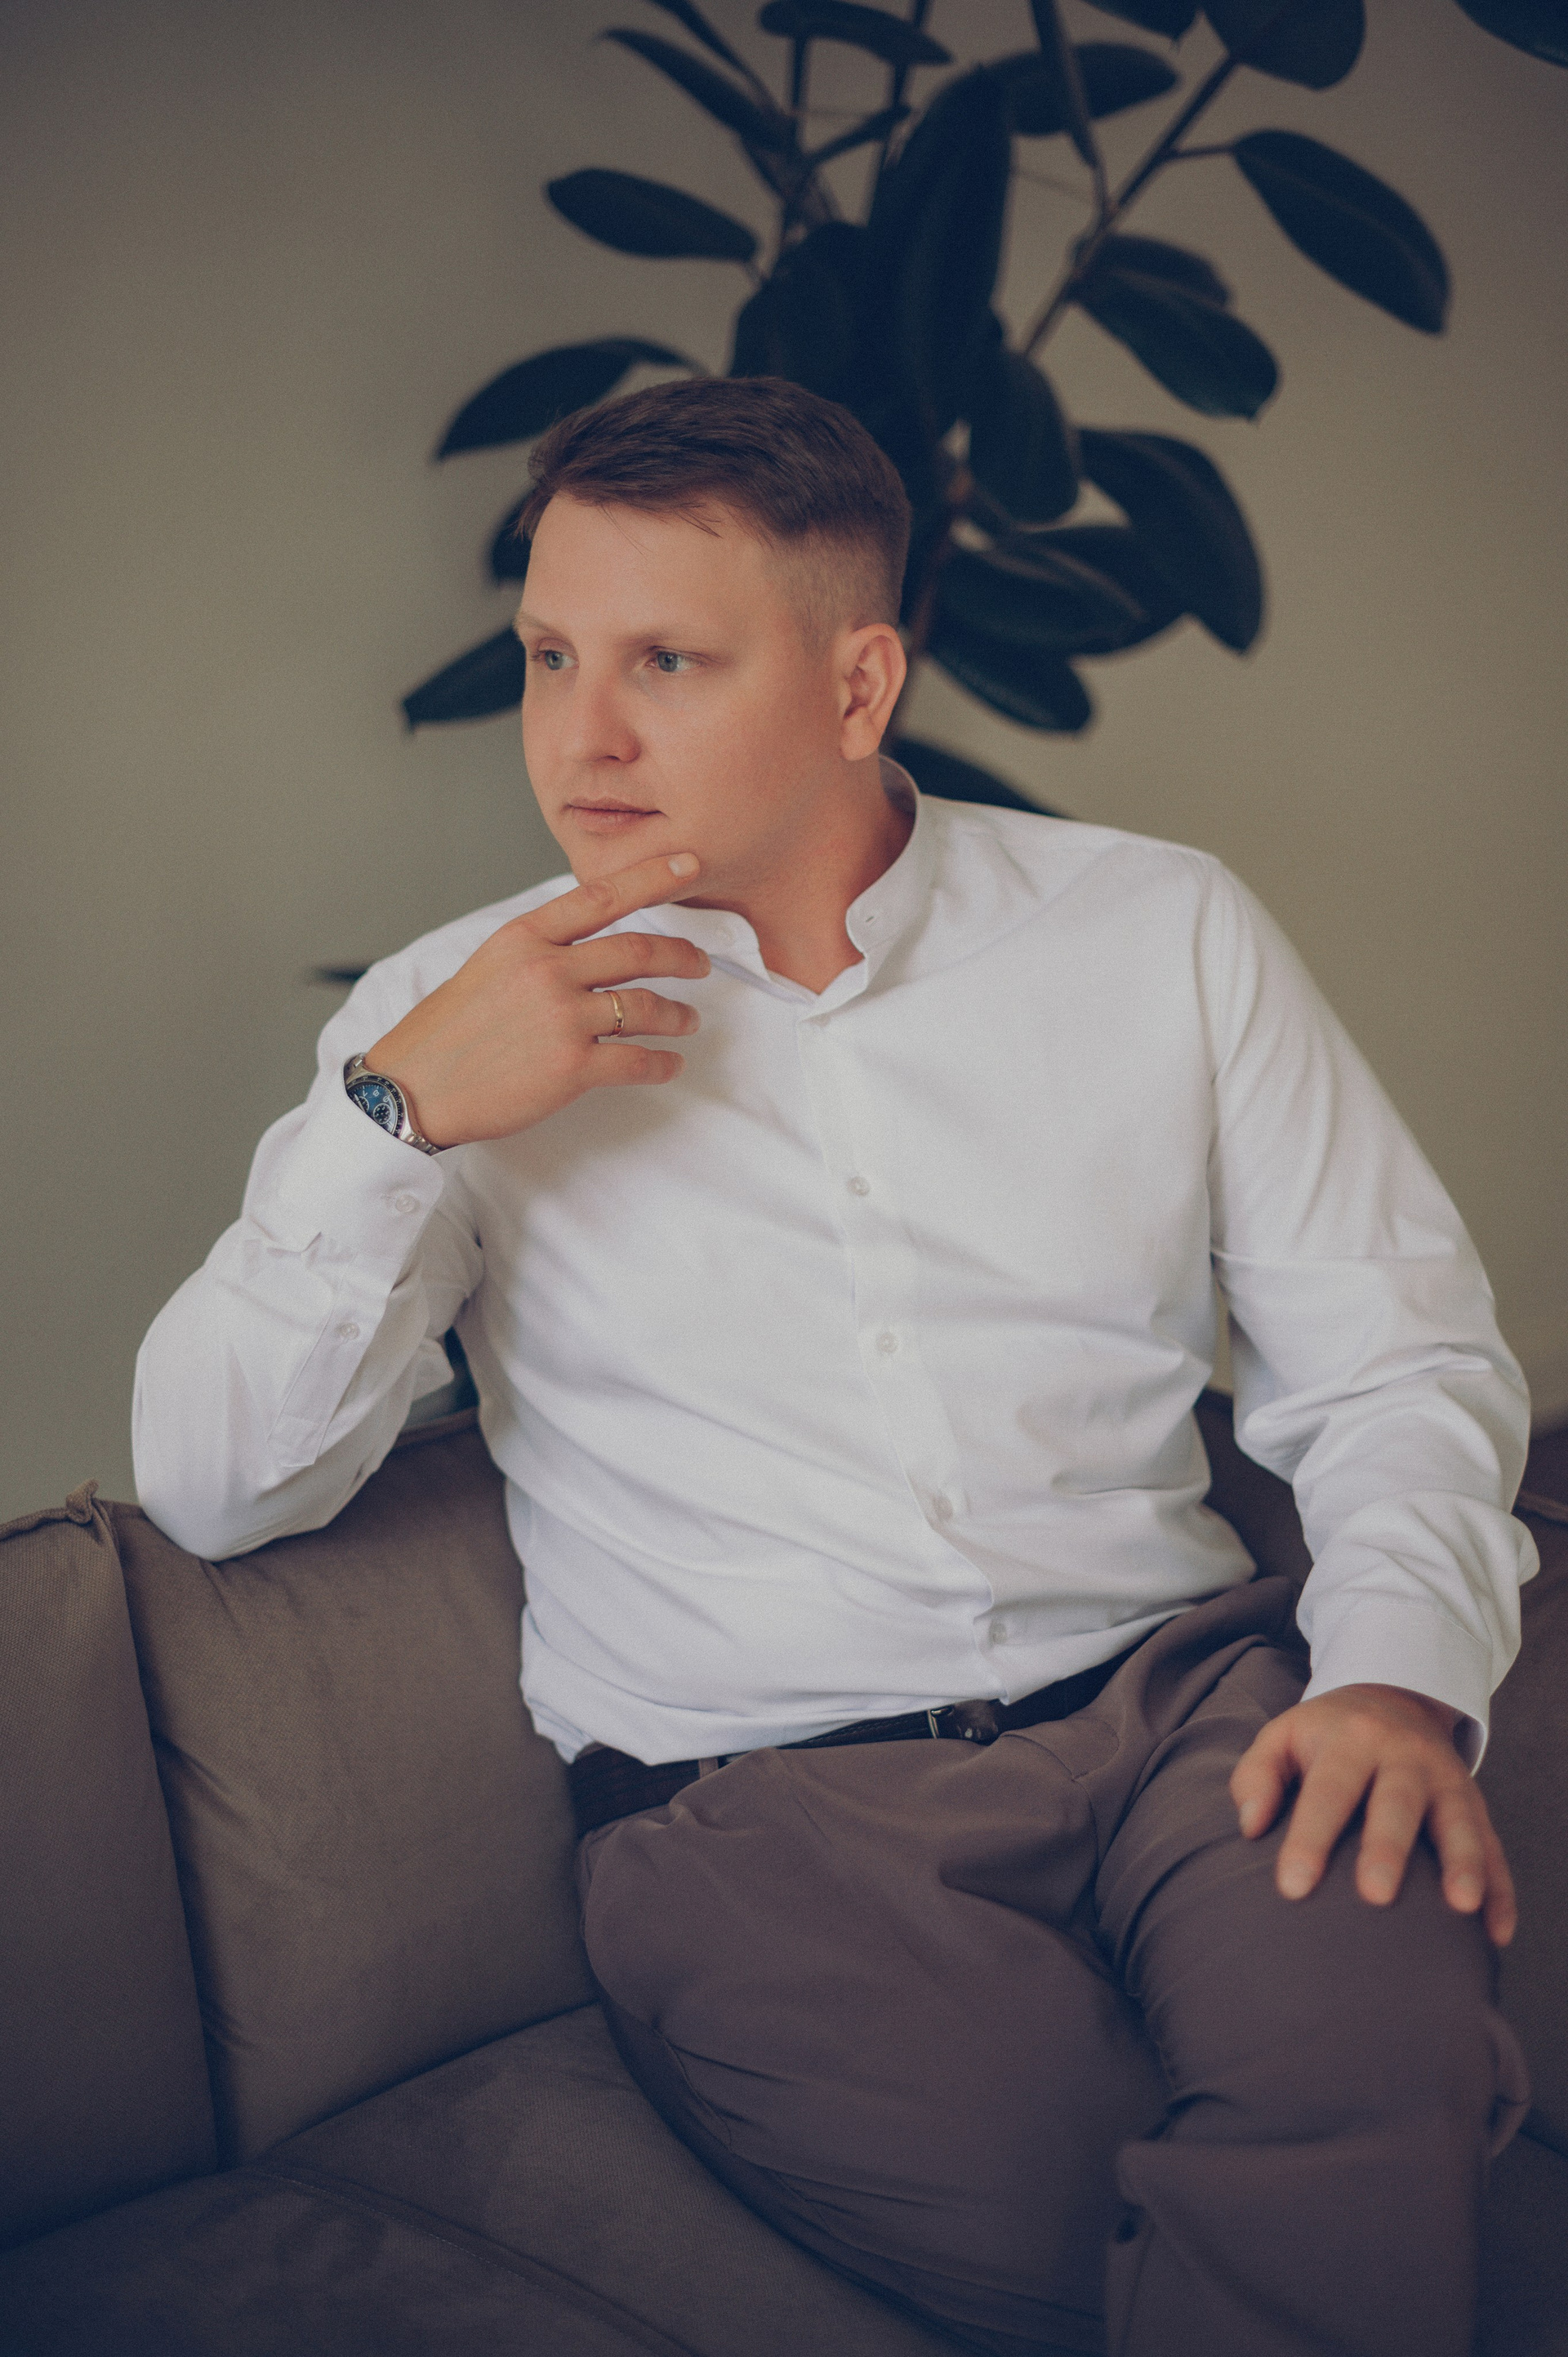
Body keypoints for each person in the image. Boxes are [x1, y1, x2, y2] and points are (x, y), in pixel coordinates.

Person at [134, 375, 1536, 2357]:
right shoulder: (448, 1018)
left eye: (666, 662)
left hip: (1197, 1715)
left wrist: (1391, 1678)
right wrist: (392, 1118)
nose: (580, 737)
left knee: (1368, 2086)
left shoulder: (1162, 931)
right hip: (765, 1831)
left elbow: (1396, 1358)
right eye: (549, 656)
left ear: (859, 682)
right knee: (1120, 2238)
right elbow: (210, 1490)